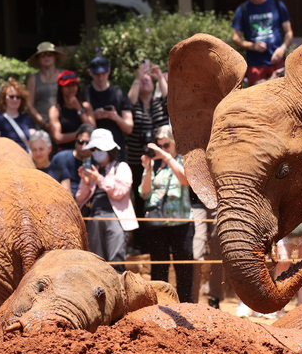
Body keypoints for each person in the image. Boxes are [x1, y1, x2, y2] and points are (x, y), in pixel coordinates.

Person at [140, 125, 194, 303]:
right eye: (159, 145)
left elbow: (185, 180)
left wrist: (167, 157)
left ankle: (187, 306)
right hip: (158, 225)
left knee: (184, 268)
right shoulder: (153, 164)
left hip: (181, 223)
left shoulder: (182, 160)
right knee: (159, 268)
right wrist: (147, 169)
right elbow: (145, 193)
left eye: (166, 145)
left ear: (174, 144)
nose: (162, 149)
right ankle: (160, 305)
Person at [76, 129, 138, 274]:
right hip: (94, 218)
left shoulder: (121, 167)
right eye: (94, 149)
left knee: (116, 261)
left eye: (100, 148)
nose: (96, 152)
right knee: (96, 262)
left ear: (110, 149)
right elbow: (79, 198)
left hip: (115, 218)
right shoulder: (92, 170)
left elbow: (119, 192)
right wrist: (86, 182)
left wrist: (98, 178)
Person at [127, 59, 169, 226]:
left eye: (148, 79)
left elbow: (169, 98)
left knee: (161, 193)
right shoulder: (133, 105)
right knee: (139, 197)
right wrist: (138, 77)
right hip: (137, 160)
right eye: (142, 80)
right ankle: (140, 239)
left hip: (160, 157)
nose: (145, 80)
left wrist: (159, 77)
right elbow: (128, 101)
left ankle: (165, 228)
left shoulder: (159, 103)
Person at [231, 0, 293, 86]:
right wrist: (252, 46)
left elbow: (288, 31)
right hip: (256, 65)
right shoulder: (243, 9)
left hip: (277, 62)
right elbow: (235, 38)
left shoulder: (277, 5)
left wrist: (283, 48)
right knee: (257, 100)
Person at [81, 56, 133, 160]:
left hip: (116, 151)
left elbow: (129, 128)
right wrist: (92, 116)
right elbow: (78, 126)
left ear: (108, 71)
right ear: (90, 72)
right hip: (92, 151)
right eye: (97, 74)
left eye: (103, 73)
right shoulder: (83, 95)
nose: (100, 78)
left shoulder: (120, 94)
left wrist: (115, 117)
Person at [48, 70, 95, 153]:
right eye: (67, 85)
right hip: (65, 152)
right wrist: (81, 134)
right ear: (60, 88)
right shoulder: (55, 110)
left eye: (73, 85)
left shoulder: (86, 107)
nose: (71, 88)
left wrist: (79, 109)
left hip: (85, 152)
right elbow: (58, 138)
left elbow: (92, 130)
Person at [25, 41, 66, 129]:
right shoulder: (33, 79)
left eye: (49, 54)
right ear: (38, 59)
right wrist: (43, 123)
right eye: (42, 55)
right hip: (40, 123)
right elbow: (29, 105)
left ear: (55, 56)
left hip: (63, 119)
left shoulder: (64, 75)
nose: (46, 57)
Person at [50, 123, 95, 198]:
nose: (83, 146)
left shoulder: (97, 162)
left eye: (88, 143)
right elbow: (50, 184)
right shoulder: (61, 158)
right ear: (75, 141)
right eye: (80, 142)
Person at [0, 80, 36, 151]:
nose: (15, 99)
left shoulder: (27, 119)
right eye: (11, 96)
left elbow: (34, 140)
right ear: (4, 98)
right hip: (7, 158)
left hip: (25, 157)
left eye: (18, 97)